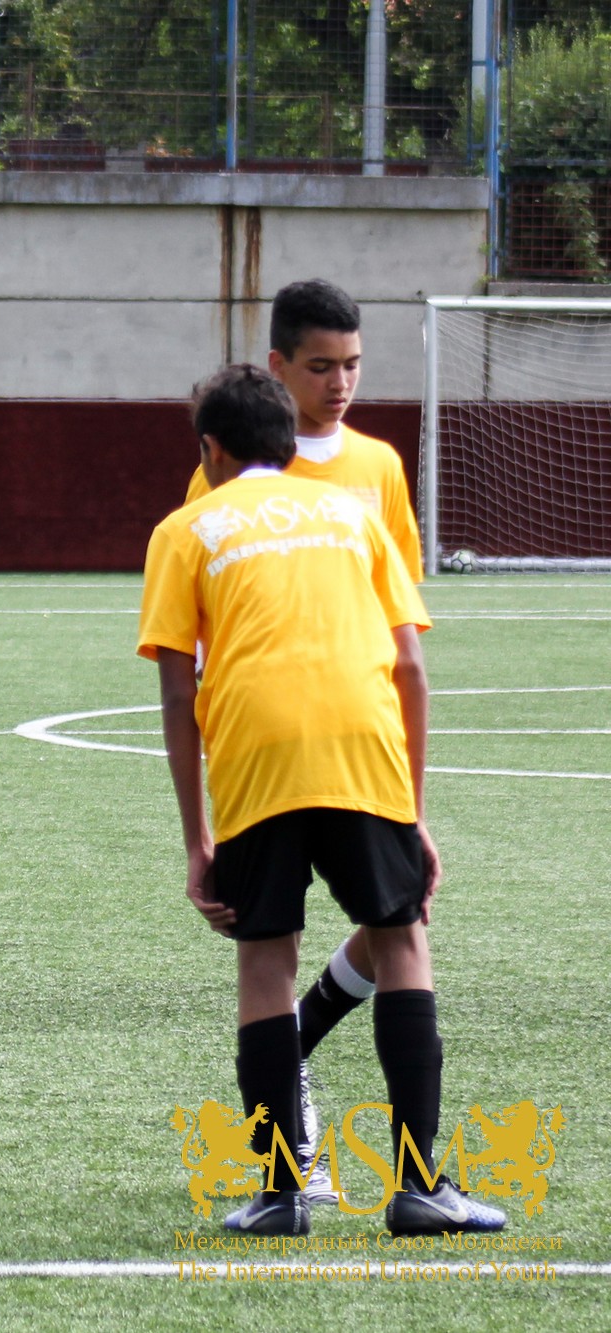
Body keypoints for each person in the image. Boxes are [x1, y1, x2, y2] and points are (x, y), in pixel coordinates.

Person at [139, 364, 503, 1237]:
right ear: (288, 441)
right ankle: (419, 1186)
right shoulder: (353, 514)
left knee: (265, 962)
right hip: (361, 745)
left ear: (211, 449)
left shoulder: (183, 529)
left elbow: (180, 693)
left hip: (257, 755)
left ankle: (280, 1194)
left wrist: (196, 840)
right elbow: (409, 664)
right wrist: (411, 812)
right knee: (401, 941)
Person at [180, 279, 425, 1201]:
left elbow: (401, 633)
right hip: (271, 740)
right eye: (322, 366)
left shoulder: (378, 470)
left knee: (389, 924)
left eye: (353, 365)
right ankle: (303, 1122)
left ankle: (300, 1045)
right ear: (278, 369)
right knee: (327, 939)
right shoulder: (220, 483)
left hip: (358, 731)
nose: (341, 383)